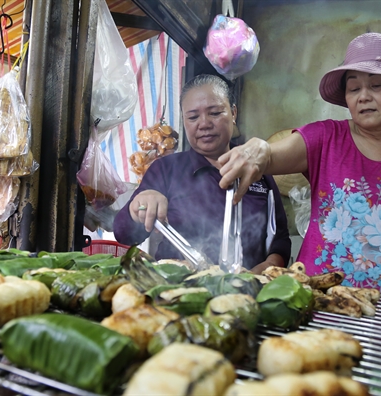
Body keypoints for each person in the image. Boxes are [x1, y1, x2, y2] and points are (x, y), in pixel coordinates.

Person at [218, 33, 381, 342]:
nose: (363, 96)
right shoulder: (324, 138)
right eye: (354, 87)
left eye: (377, 85)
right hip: (325, 310)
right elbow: (273, 153)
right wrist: (259, 151)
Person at [113, 74, 292, 273]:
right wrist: (139, 205)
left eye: (215, 113)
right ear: (184, 120)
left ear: (233, 113)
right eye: (193, 117)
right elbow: (124, 234)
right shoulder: (166, 169)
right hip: (176, 292)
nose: (204, 123)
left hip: (248, 293)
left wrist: (261, 272)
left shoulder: (257, 169)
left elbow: (280, 239)